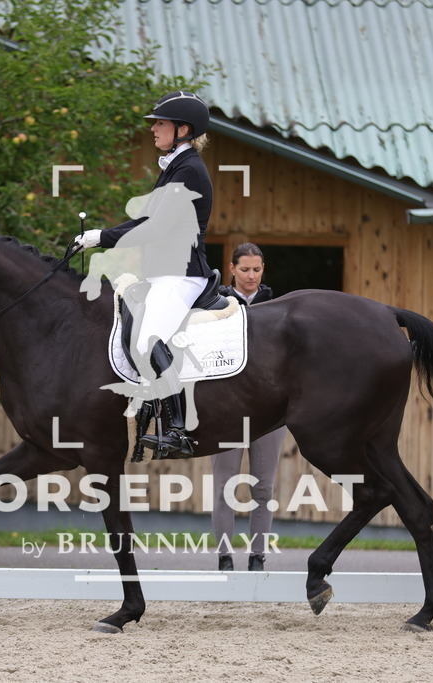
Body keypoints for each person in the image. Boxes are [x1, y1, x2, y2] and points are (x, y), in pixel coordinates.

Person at [74, 91, 213, 458]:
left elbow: (156, 228)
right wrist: (98, 237)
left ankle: (179, 430)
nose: (153, 129)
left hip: (182, 274)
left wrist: (101, 237)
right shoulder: (174, 166)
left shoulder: (189, 170)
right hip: (164, 274)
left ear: (183, 129)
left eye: (161, 123)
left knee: (149, 340)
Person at [212, 243, 287, 571]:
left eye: (257, 269)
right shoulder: (215, 304)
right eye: (245, 269)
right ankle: (224, 557)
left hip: (269, 410)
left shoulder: (279, 307)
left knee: (264, 485)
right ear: (232, 269)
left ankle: (258, 557)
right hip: (227, 408)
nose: (251, 276)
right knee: (224, 484)